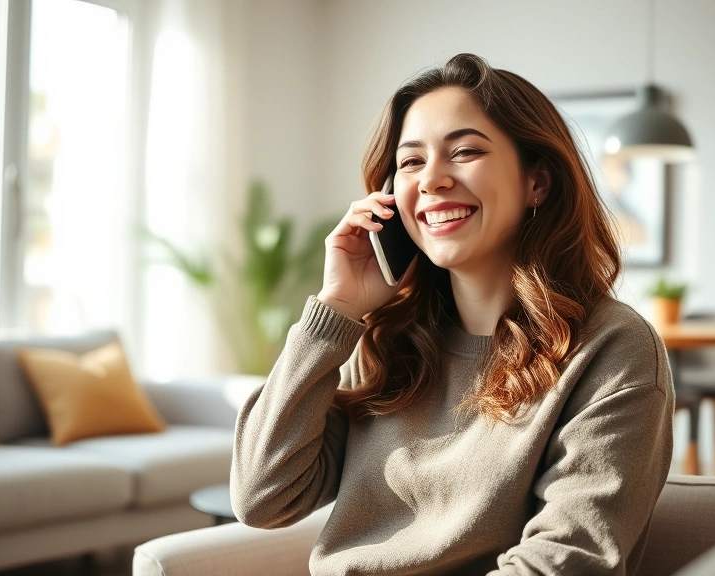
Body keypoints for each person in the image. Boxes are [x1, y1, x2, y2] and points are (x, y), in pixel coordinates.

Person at [231, 53, 675, 576]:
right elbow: (263, 498)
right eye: (411, 162)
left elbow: (567, 560)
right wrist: (336, 311)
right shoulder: (382, 340)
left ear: (538, 182)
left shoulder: (612, 348)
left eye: (464, 151)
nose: (433, 180)